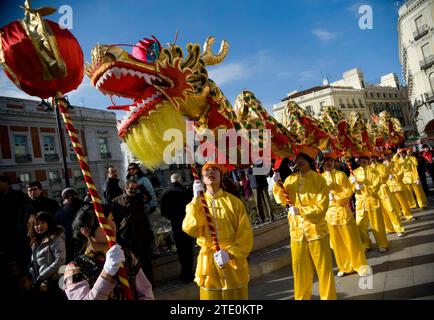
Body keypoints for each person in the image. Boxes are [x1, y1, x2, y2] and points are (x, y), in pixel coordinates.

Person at [273, 145, 336, 300]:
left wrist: (301, 211)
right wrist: (277, 184)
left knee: (324, 269)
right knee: (300, 270)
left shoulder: (319, 180)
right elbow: (281, 199)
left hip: (316, 232)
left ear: (309, 160)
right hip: (297, 233)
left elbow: (321, 208)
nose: (299, 161)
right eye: (297, 158)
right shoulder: (290, 179)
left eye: (302, 158)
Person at [183, 162, 253, 300]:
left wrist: (230, 253)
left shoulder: (234, 202)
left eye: (215, 169)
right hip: (209, 267)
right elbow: (190, 229)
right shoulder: (197, 204)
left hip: (233, 266)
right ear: (201, 178)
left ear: (221, 176)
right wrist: (195, 199)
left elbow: (245, 234)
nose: (211, 172)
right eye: (207, 170)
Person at [63, 204, 154, 300]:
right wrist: (107, 272)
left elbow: (145, 291)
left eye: (112, 220)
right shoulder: (73, 269)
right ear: (86, 231)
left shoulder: (125, 255)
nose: (112, 226)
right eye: (104, 222)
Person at [322, 152, 371, 278]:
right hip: (330, 215)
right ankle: (344, 266)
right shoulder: (320, 178)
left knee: (352, 241)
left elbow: (348, 192)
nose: (328, 163)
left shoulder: (341, 175)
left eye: (331, 161)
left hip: (342, 211)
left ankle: (360, 266)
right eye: (326, 161)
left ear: (335, 163)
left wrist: (335, 197)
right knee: (337, 243)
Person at [111, 179, 155, 286]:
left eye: (135, 189)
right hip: (127, 237)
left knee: (146, 262)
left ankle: (149, 284)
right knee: (131, 264)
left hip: (142, 234)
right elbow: (114, 219)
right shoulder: (116, 201)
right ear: (125, 188)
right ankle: (135, 286)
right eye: (131, 188)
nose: (133, 191)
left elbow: (148, 197)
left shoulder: (139, 198)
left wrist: (140, 187)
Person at [350, 151, 389, 253]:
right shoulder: (354, 173)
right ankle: (366, 243)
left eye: (365, 159)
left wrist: (365, 188)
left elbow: (376, 186)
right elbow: (349, 187)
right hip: (360, 203)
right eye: (361, 159)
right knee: (360, 224)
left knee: (377, 223)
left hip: (372, 200)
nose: (363, 161)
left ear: (368, 160)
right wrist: (354, 187)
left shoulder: (374, 171)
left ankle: (382, 243)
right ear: (359, 160)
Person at [160, 173, 195, 283]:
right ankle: (188, 273)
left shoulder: (165, 193)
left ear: (171, 181)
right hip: (188, 222)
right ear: (180, 180)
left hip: (175, 224)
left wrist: (172, 217)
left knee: (181, 249)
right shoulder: (185, 191)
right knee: (189, 249)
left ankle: (184, 273)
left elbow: (163, 212)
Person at [28, 211, 66, 300]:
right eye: (36, 224)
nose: (39, 226)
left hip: (54, 282)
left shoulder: (56, 237)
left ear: (49, 223)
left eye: (42, 223)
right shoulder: (35, 240)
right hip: (40, 282)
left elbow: (60, 260)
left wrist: (41, 277)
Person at [370, 151, 406, 237]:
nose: (372, 159)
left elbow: (383, 177)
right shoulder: (367, 170)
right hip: (374, 193)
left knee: (391, 210)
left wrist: (373, 178)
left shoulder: (382, 166)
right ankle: (389, 229)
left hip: (384, 190)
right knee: (382, 212)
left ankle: (399, 229)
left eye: (373, 157)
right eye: (370, 158)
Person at [384, 150, 415, 221]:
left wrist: (394, 176)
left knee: (404, 202)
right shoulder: (383, 166)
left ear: (391, 156)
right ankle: (398, 216)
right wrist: (386, 176)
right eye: (386, 155)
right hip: (390, 187)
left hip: (398, 186)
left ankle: (408, 215)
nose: (388, 157)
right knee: (394, 204)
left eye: (389, 155)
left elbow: (401, 172)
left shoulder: (396, 163)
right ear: (384, 157)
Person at [55, 188, 85, 262]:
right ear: (64, 199)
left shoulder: (84, 208)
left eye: (72, 195)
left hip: (84, 240)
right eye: (67, 196)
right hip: (68, 242)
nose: (70, 197)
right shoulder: (60, 212)